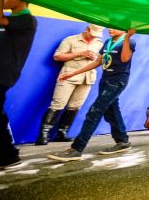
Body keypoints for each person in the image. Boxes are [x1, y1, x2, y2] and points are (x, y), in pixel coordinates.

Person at [48, 28, 137, 161]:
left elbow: (124, 59)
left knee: (94, 111)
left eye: (114, 26)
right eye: (109, 26)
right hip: (105, 81)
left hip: (117, 81)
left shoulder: (129, 42)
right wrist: (73, 73)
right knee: (111, 111)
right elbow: (98, 61)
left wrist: (127, 38)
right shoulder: (107, 42)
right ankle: (122, 141)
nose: (110, 29)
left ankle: (77, 148)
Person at [35, 24, 104, 145]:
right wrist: (80, 54)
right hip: (68, 77)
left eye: (96, 36)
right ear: (87, 30)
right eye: (92, 34)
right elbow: (57, 56)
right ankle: (43, 134)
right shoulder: (70, 40)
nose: (94, 38)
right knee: (58, 104)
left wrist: (94, 57)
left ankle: (62, 133)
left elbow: (100, 59)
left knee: (75, 106)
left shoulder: (99, 43)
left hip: (87, 79)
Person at [0, 0, 37, 169]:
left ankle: (9, 155)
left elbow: (0, 19)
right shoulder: (12, 19)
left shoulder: (27, 19)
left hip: (3, 73)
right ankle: (8, 154)